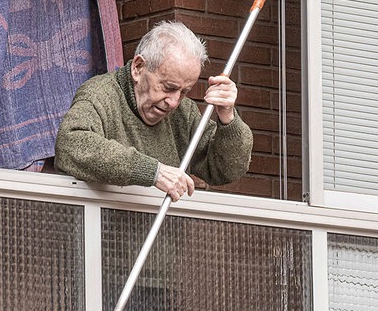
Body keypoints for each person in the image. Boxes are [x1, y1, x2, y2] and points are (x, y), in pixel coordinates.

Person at [54, 21, 253, 201]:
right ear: (138, 68)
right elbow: (71, 145)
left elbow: (226, 169)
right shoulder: (101, 94)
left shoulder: (184, 113)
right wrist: (153, 172)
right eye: (168, 87)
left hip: (163, 239)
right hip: (100, 237)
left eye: (185, 91)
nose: (174, 102)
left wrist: (227, 117)